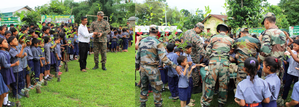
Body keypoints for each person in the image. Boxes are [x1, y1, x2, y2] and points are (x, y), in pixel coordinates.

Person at [136, 25, 181, 107]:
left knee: (144, 87)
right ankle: (158, 104)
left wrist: (136, 66)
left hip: (142, 68)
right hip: (153, 69)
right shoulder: (158, 42)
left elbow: (137, 55)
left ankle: (142, 103)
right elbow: (163, 58)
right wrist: (175, 66)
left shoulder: (141, 41)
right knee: (157, 88)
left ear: (149, 31)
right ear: (157, 32)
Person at [201, 24, 234, 107]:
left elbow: (207, 52)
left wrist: (211, 58)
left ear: (218, 31)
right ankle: (221, 103)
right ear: (226, 31)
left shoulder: (213, 38)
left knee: (210, 84)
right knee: (223, 84)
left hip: (213, 63)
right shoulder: (231, 40)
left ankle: (206, 103)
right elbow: (232, 51)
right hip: (225, 63)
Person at [258, 12, 287, 106]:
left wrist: (257, 62)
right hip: (280, 64)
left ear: (266, 22)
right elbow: (284, 49)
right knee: (278, 86)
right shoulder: (282, 33)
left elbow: (265, 52)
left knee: (266, 87)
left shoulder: (267, 33)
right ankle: (279, 103)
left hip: (269, 67)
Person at [182, 22, 205, 93]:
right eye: (201, 30)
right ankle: (195, 87)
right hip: (194, 56)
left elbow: (182, 41)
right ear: (197, 28)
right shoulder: (195, 36)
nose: (201, 32)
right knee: (195, 71)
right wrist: (207, 56)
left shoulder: (186, 32)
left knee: (187, 69)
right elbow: (201, 48)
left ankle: (188, 84)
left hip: (186, 55)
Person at [0, 37, 18, 107]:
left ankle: (6, 101)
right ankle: (5, 102)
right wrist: (14, 64)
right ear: (0, 45)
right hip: (5, 71)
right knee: (6, 85)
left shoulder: (6, 52)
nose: (7, 43)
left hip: (8, 70)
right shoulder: (1, 54)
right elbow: (5, 65)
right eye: (4, 42)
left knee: (7, 85)